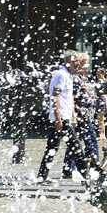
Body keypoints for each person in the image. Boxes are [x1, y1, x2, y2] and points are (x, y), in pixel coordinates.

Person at [36, 50, 89, 185]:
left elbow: (68, 99)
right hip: (61, 118)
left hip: (64, 117)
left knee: (52, 147)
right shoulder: (61, 75)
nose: (78, 63)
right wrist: (59, 118)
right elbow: (55, 96)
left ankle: (42, 176)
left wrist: (73, 117)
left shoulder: (69, 75)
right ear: (68, 61)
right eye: (76, 60)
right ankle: (86, 177)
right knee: (76, 146)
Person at [62, 53, 98, 177]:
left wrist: (92, 110)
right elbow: (72, 98)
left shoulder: (85, 78)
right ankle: (94, 166)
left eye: (88, 62)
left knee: (76, 142)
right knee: (91, 141)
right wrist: (74, 115)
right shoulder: (75, 78)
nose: (87, 65)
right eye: (85, 62)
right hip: (80, 117)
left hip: (86, 116)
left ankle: (69, 169)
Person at [94, 68, 107, 140]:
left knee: (100, 117)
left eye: (99, 74)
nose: (98, 76)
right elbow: (95, 93)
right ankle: (103, 134)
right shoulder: (97, 83)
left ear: (103, 74)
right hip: (98, 101)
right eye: (97, 75)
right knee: (100, 118)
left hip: (105, 101)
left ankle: (101, 134)